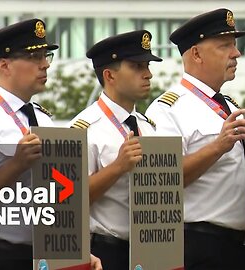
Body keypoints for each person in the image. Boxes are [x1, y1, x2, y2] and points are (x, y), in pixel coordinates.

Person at [0, 18, 102, 270]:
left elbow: (58, 197)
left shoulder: (42, 119)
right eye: (34, 57)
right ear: (4, 64)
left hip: (47, 255)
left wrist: (79, 249)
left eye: (46, 56)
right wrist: (16, 165)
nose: (44, 65)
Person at [145, 8, 245, 270]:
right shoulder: (167, 109)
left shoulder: (229, 105)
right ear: (196, 54)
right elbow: (163, 181)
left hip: (244, 247)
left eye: (235, 45)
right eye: (225, 46)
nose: (236, 53)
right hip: (201, 245)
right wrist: (217, 147)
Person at [68, 30, 162, 270]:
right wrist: (118, 167)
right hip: (105, 252)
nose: (148, 74)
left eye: (147, 66)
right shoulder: (84, 129)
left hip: (151, 250)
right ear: (109, 75)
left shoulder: (147, 126)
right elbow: (66, 199)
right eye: (137, 66)